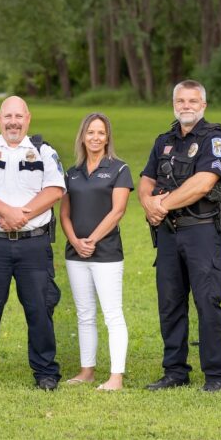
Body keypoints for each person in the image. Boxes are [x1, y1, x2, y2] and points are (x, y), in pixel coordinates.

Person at [0, 96, 65, 392]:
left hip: (34, 245)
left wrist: (21, 215)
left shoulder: (44, 151)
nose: (13, 121)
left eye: (19, 116)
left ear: (28, 118)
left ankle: (46, 372)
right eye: (8, 116)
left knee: (40, 309)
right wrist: (8, 213)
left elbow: (55, 190)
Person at [138, 80, 221, 392]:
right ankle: (174, 372)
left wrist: (160, 204)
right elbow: (146, 180)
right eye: (180, 100)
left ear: (203, 105)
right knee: (170, 304)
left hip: (202, 231)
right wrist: (148, 204)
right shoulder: (163, 140)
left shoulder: (214, 140)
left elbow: (203, 183)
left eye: (193, 101)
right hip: (167, 234)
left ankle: (218, 375)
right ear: (174, 104)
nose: (186, 106)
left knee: (207, 302)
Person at [60, 113, 132, 391]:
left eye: (101, 133)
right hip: (75, 253)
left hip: (107, 253)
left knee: (112, 314)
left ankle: (116, 377)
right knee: (84, 314)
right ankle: (86, 371)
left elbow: (118, 211)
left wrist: (91, 239)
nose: (95, 137)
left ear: (107, 137)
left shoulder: (119, 169)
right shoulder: (71, 172)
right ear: (82, 136)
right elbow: (64, 214)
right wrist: (76, 241)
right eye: (90, 132)